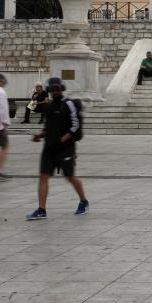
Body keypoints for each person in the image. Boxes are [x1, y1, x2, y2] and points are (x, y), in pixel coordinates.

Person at [26, 77, 89, 220]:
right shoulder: (48, 107)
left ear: (61, 89)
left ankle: (84, 201)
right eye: (52, 89)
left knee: (69, 176)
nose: (54, 91)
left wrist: (63, 139)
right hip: (49, 147)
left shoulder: (69, 105)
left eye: (57, 89)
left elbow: (75, 125)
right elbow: (48, 128)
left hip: (65, 148)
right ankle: (42, 209)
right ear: (49, 90)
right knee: (43, 176)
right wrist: (40, 135)